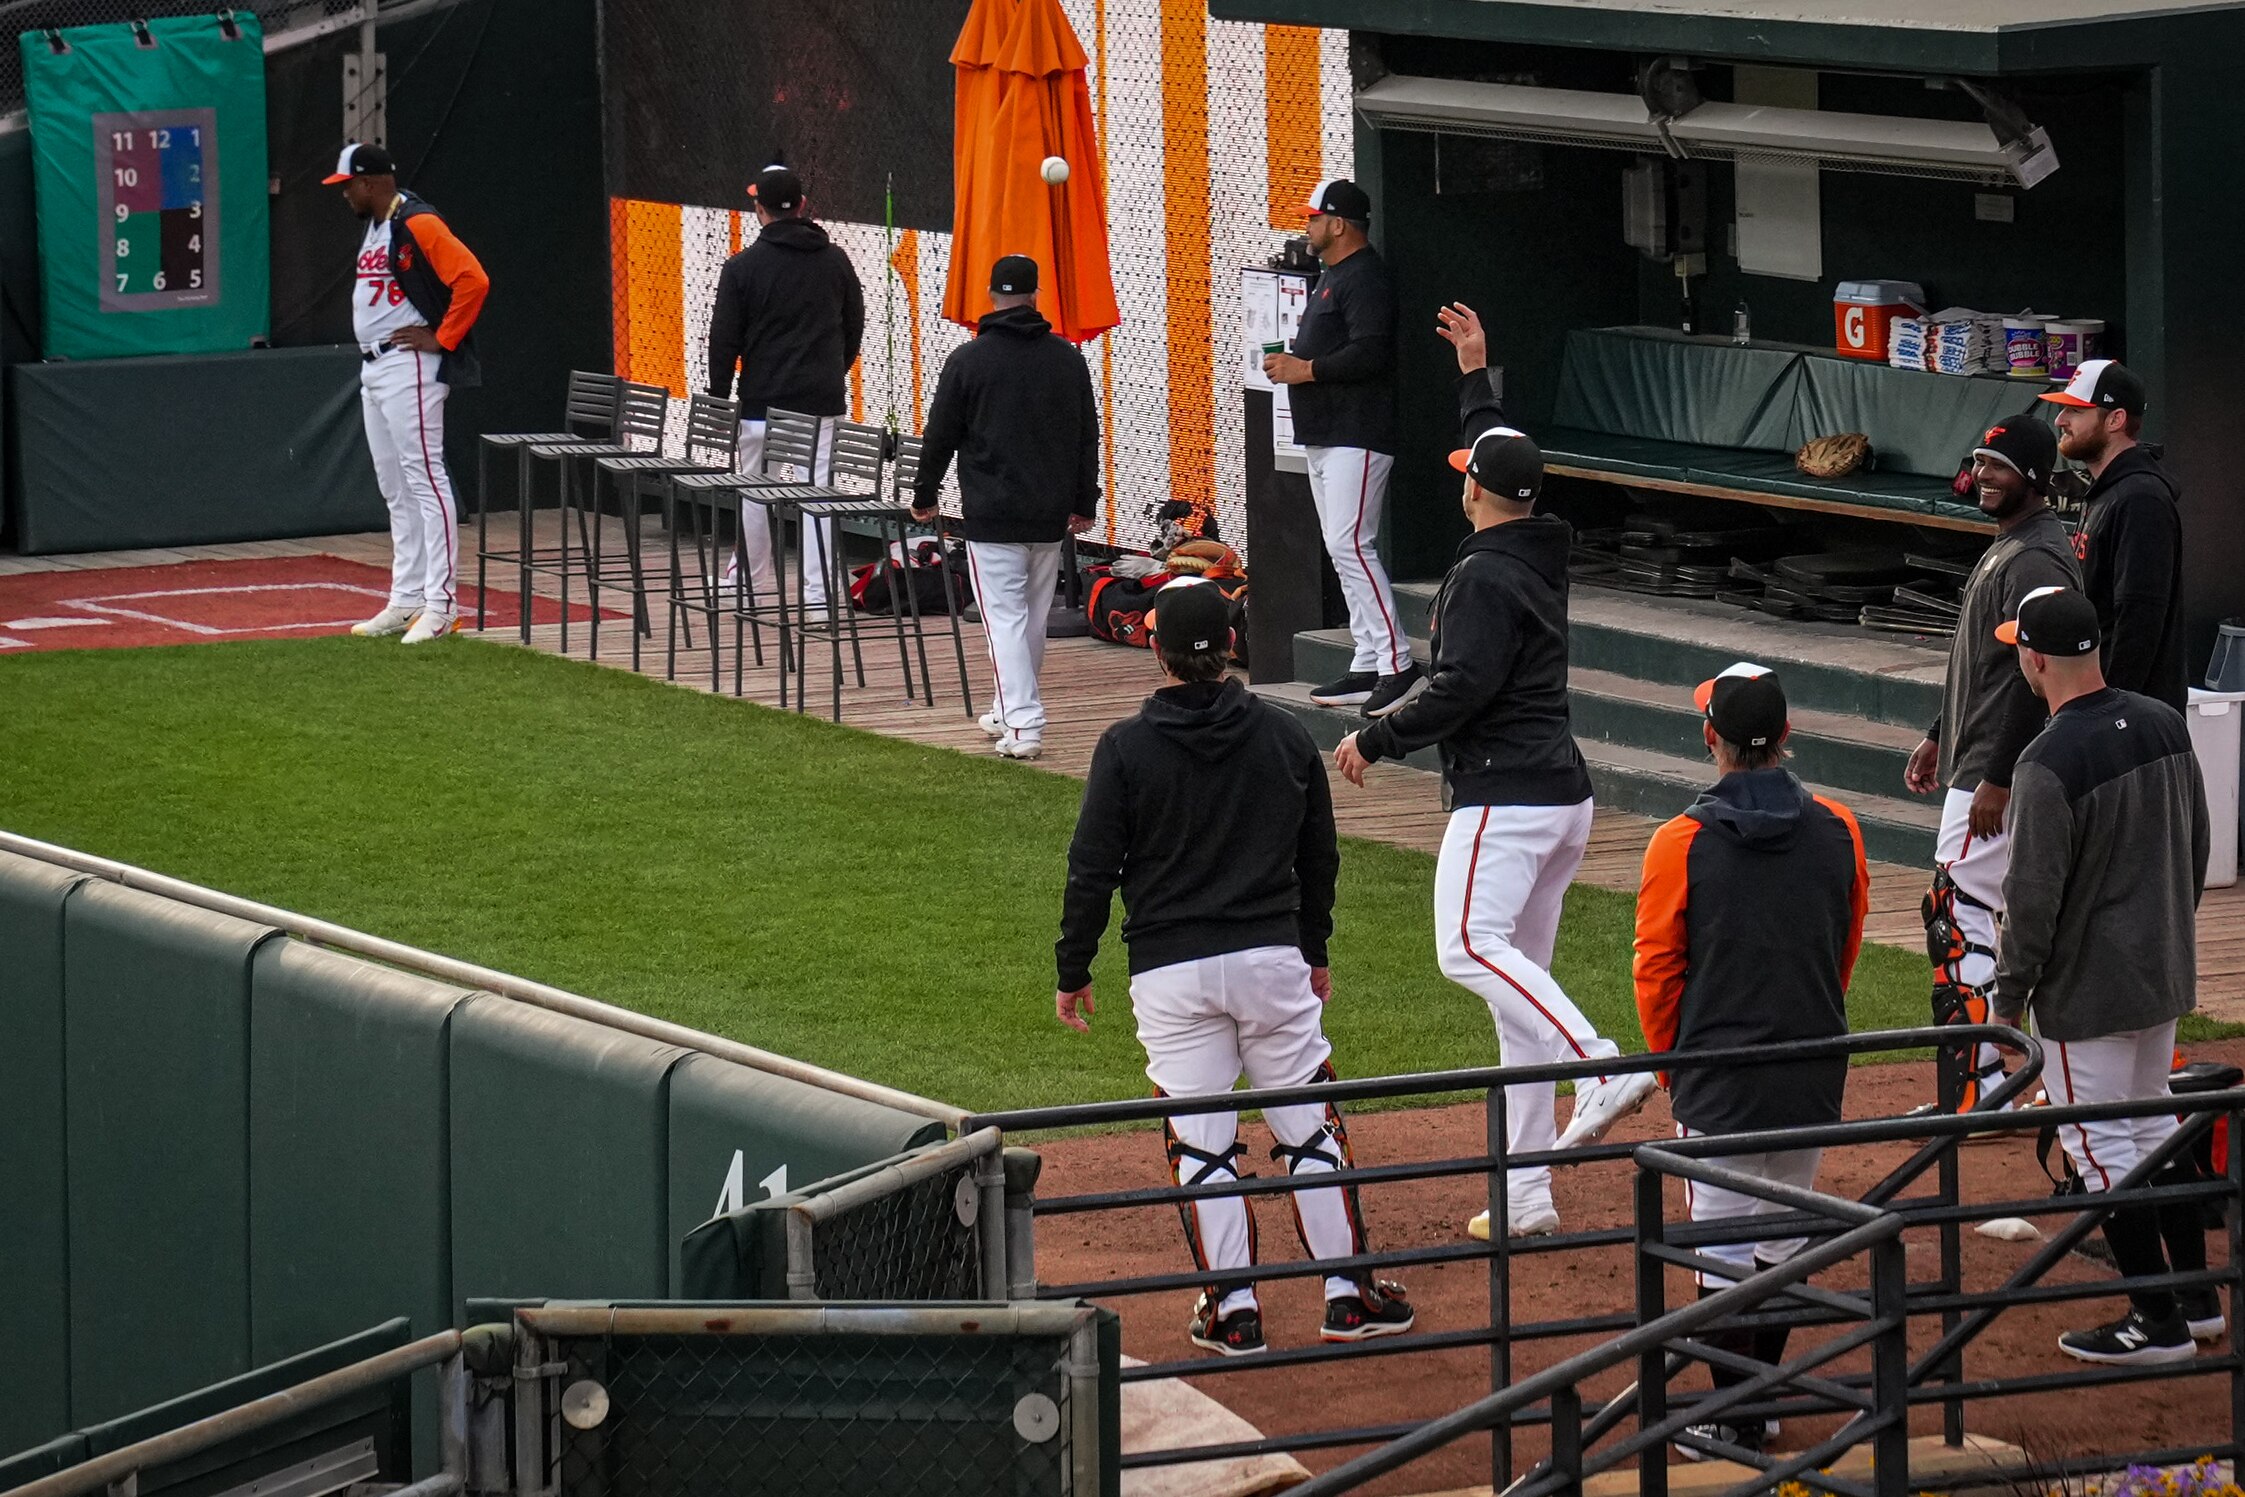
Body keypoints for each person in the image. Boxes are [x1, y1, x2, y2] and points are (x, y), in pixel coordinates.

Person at [1334, 303, 1654, 1243]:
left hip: (1508, 799)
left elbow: (1461, 686)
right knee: (1518, 1000)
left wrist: (1378, 736)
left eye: (1464, 476)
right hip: (1560, 798)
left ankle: (1600, 1061)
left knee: (1465, 948)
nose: (1460, 484)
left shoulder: (1481, 576)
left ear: (1477, 492)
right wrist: (1476, 379)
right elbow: (1499, 454)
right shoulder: (1535, 541)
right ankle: (1526, 1195)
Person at [1054, 580, 1413, 1355]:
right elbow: (1319, 854)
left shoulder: (1123, 748)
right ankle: (1348, 1296)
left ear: (1156, 651)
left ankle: (1234, 1310)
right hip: (1267, 959)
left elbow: (1091, 868)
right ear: (1229, 646)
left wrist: (1072, 966)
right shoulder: (1283, 736)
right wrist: (1312, 947)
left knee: (1202, 1142)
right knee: (1307, 1125)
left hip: (1169, 974)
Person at [1636, 664, 1869, 1459]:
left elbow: (1656, 970)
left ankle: (1730, 1413)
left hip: (1720, 1076)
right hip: (1810, 1063)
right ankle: (1752, 1400)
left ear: (1712, 738)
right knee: (1779, 1238)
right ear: (1788, 738)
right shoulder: (1840, 825)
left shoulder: (1679, 842)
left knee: (1721, 1244)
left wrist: (1673, 1065)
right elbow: (1844, 938)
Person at [1993, 585, 2215, 1366]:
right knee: (2151, 1121)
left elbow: (2030, 901)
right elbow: (2197, 843)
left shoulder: (2045, 759)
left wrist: (2007, 1000)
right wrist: (2165, 934)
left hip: (2085, 993)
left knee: (2099, 1149)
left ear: (2035, 658)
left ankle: (2155, 1324)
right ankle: (2196, 1296)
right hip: (2160, 973)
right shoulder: (2161, 720)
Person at [1902, 417, 2081, 1114]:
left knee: (1960, 917)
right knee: (1984, 916)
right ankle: (1994, 1085)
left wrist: (1998, 775)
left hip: (1996, 771)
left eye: (1998, 464)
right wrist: (1937, 734)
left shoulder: (2035, 559)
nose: (1982, 473)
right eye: (1978, 460)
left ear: (2033, 477)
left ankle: (1979, 1090)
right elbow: (1984, 662)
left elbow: (2030, 677)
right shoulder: (2013, 545)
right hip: (1976, 758)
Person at [912, 254, 1099, 761]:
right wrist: (1085, 501)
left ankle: (1023, 724)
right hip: (1049, 514)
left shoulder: (968, 361)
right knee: (1030, 620)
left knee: (1005, 622)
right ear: (1037, 296)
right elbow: (1087, 438)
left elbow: (940, 436)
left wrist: (924, 494)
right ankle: (1006, 707)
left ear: (991, 296)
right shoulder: (1068, 359)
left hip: (992, 515)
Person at [1261, 180, 1421, 718]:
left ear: (1338, 224)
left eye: (1313, 218)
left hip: (1358, 433)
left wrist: (1305, 368)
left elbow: (1372, 353)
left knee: (1352, 544)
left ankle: (1397, 663)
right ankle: (1368, 658)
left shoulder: (1366, 277)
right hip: (1328, 433)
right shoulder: (1334, 277)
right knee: (1341, 546)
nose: (1305, 227)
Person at [329, 143, 489, 644]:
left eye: (349, 184)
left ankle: (441, 605)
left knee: (425, 479)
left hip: (409, 366)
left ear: (372, 182)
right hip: (375, 366)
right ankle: (407, 598)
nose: (345, 194)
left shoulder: (416, 222)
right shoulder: (377, 225)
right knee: (396, 487)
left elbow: (473, 280)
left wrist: (443, 338)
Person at [707, 164, 865, 613]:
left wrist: (721, 398)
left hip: (762, 403)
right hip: (821, 400)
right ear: (801, 206)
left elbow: (724, 341)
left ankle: (752, 587)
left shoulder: (742, 267)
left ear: (758, 209)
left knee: (756, 493)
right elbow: (854, 324)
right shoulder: (835, 260)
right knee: (819, 497)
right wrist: (835, 370)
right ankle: (820, 600)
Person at [2039, 360, 2187, 711]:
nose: (2060, 420)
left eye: (2075, 410)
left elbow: (2138, 622)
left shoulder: (2140, 498)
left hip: (2129, 719)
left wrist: (2108, 713)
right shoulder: (2109, 492)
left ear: (2116, 419)